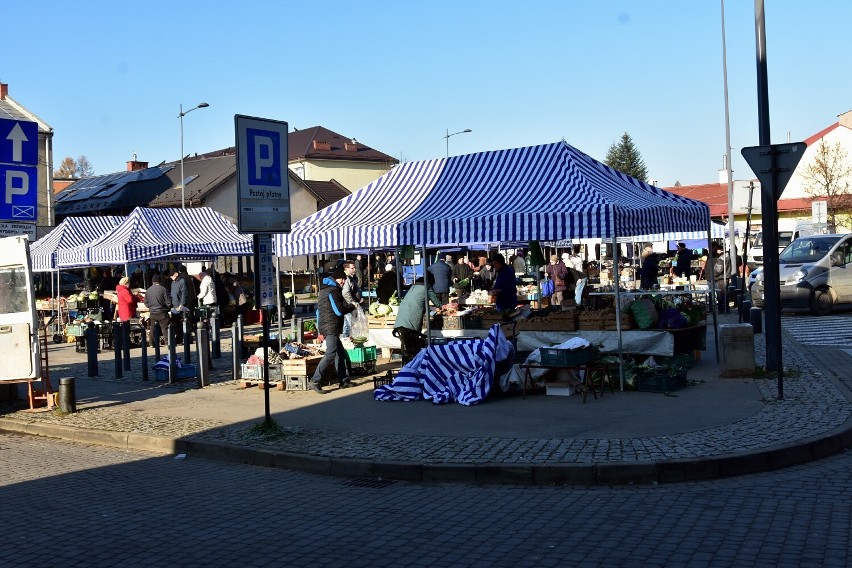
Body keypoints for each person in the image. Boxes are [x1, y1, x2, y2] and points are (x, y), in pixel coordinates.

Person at [310, 268, 356, 394]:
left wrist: (320, 330)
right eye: (343, 280)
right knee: (331, 353)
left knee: (340, 353)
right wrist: (352, 306)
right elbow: (338, 311)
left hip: (326, 326)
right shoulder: (333, 291)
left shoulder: (323, 291)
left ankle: (344, 380)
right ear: (337, 279)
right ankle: (315, 380)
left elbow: (318, 312)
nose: (343, 282)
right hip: (331, 327)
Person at [393, 273, 442, 363]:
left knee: (407, 347)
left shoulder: (412, 288)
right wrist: (441, 306)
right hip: (410, 325)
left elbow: (418, 302)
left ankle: (407, 365)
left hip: (400, 322)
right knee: (413, 349)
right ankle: (413, 366)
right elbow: (437, 303)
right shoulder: (427, 288)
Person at [144, 273, 172, 345]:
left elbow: (146, 302)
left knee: (152, 328)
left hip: (153, 312)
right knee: (165, 328)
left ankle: (152, 343)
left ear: (153, 281)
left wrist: (150, 306)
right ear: (160, 281)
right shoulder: (163, 289)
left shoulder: (148, 290)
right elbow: (168, 302)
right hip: (162, 311)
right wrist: (168, 307)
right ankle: (168, 342)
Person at [340, 259, 362, 337]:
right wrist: (352, 302)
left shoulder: (351, 277)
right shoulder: (346, 278)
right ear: (346, 269)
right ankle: (345, 343)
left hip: (350, 306)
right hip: (348, 306)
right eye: (352, 268)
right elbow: (345, 292)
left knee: (349, 326)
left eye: (354, 268)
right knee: (348, 327)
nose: (354, 269)